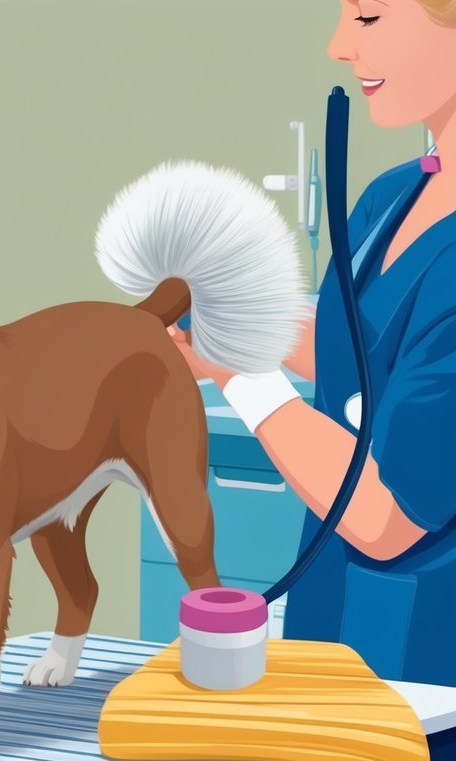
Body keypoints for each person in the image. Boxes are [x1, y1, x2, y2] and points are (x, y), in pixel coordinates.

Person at [171, 0, 456, 687]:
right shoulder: (394, 195)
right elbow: (355, 346)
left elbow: (387, 515)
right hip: (330, 626)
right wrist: (220, 317)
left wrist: (240, 376)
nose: (336, 45)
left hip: (424, 659)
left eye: (365, 18)